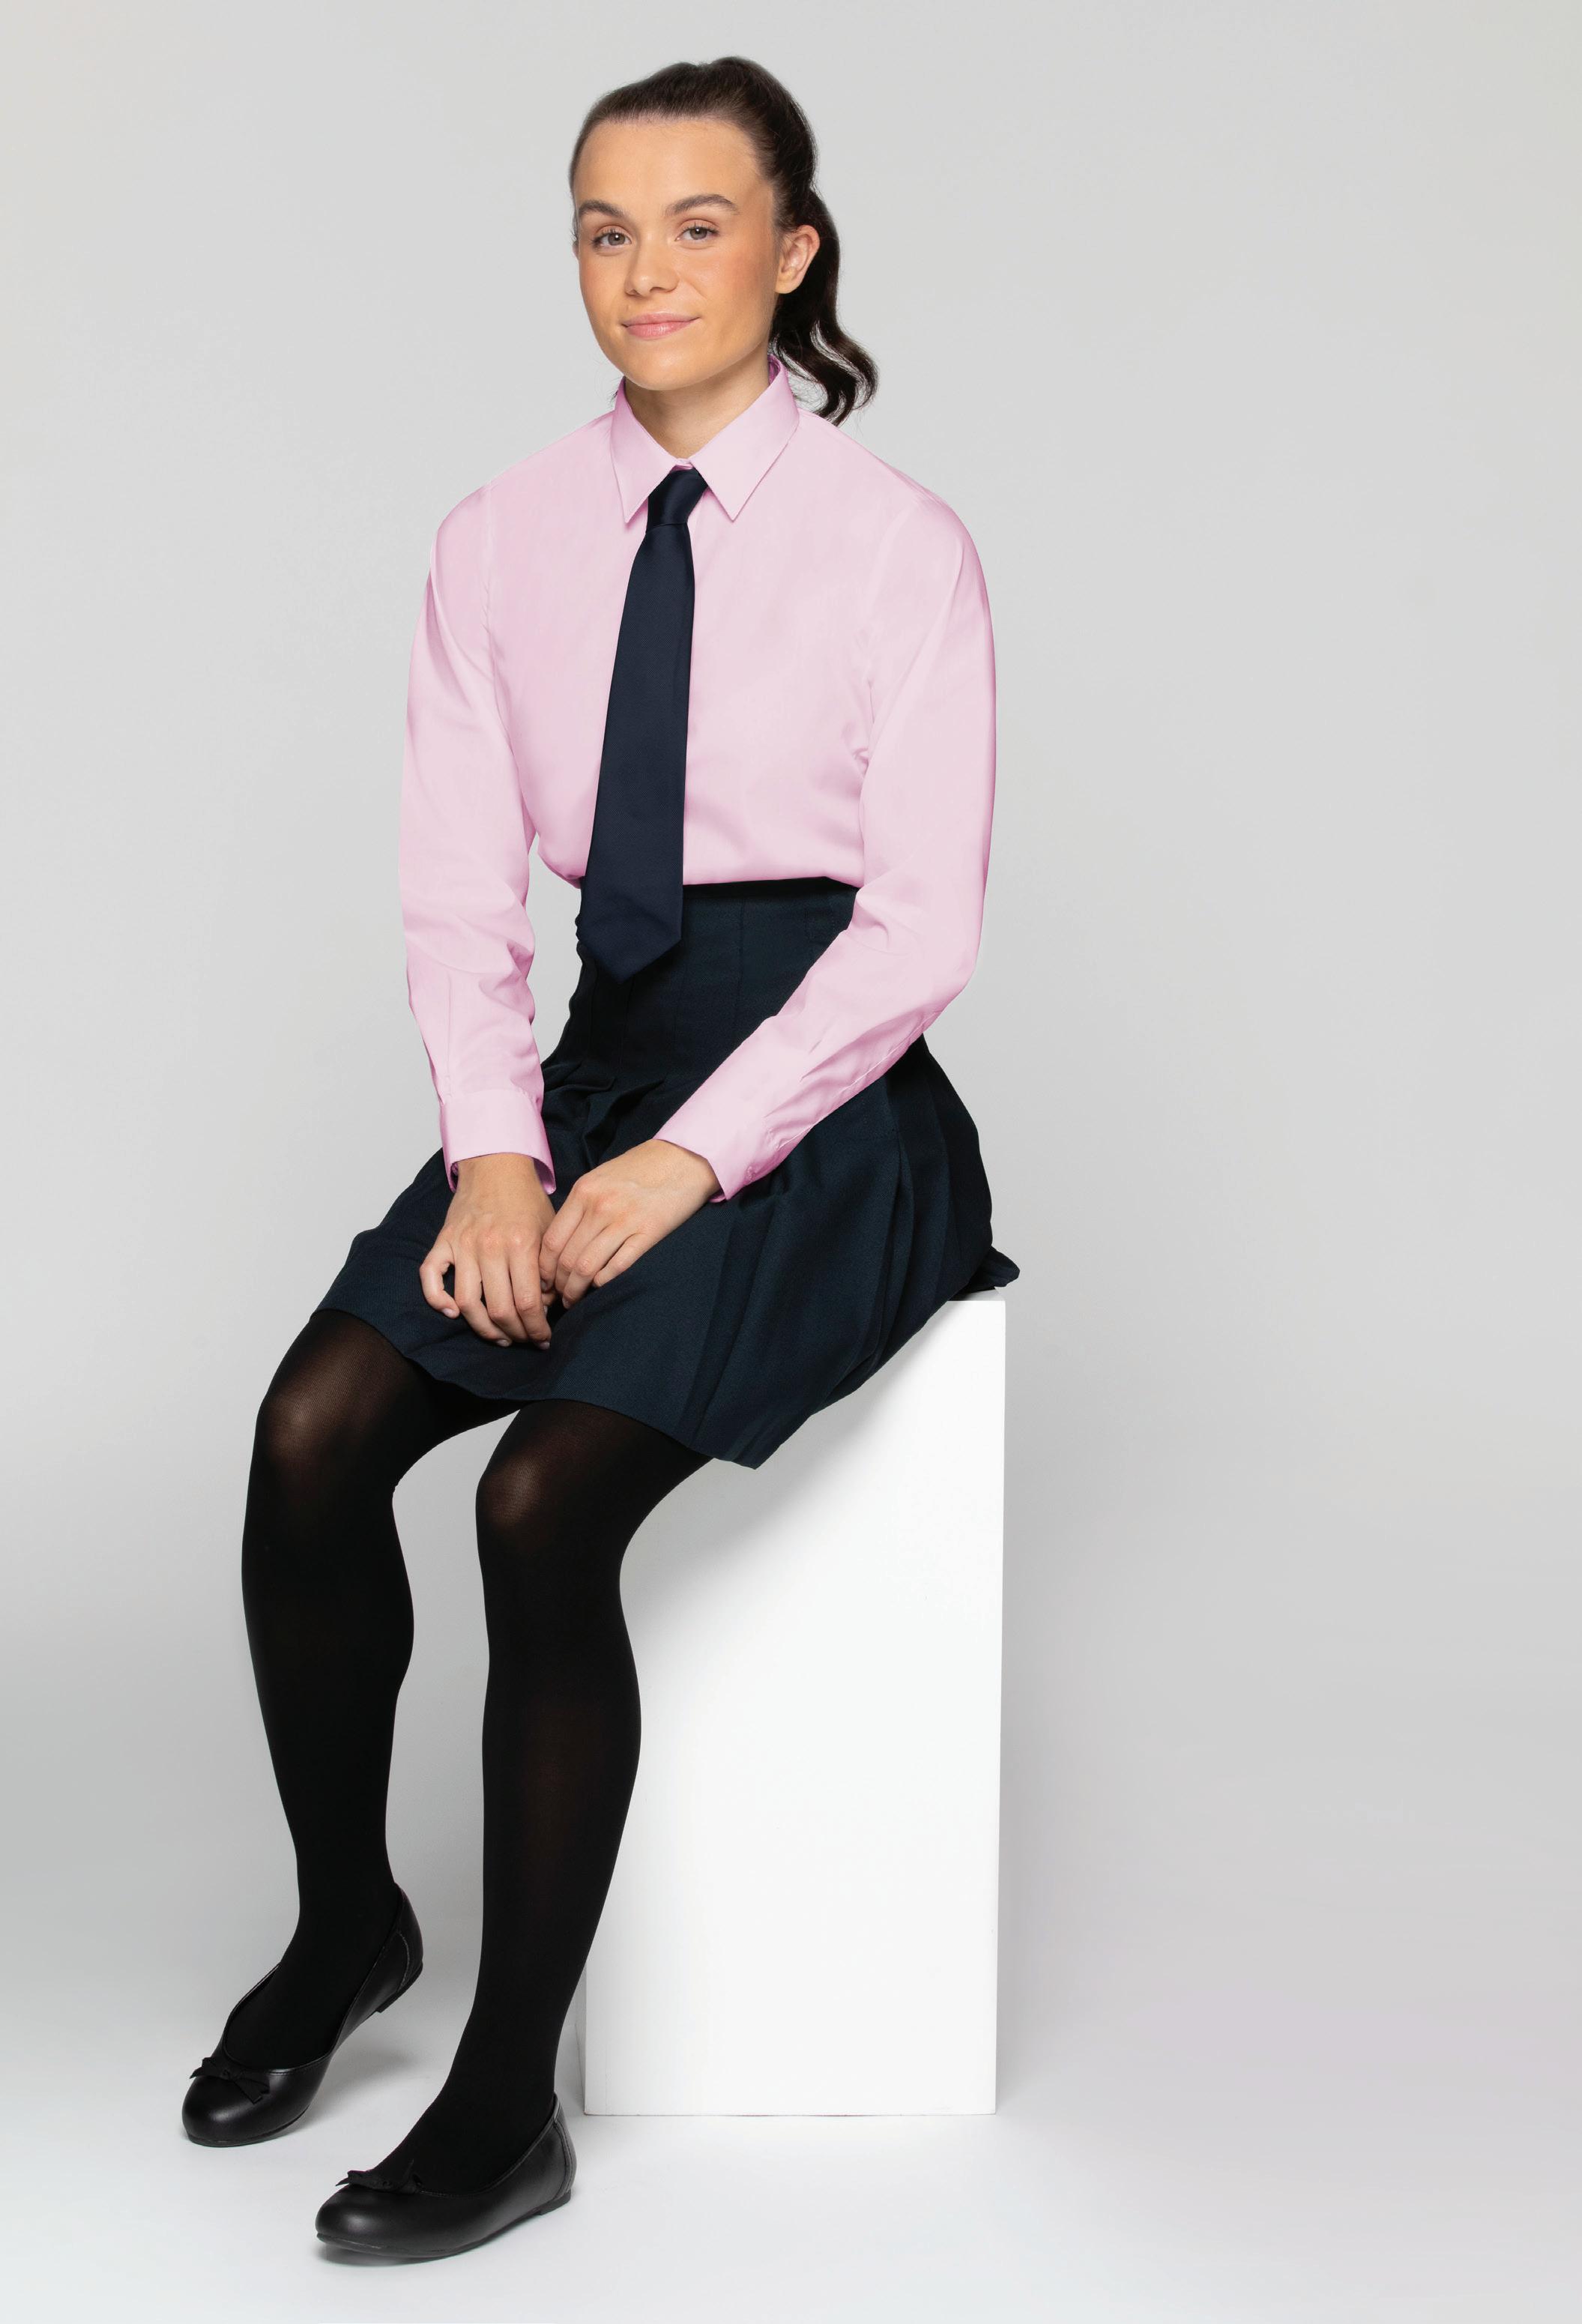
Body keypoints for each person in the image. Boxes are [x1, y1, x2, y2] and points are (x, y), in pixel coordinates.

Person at [181, 53, 1019, 2262]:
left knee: (542, 1506)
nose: (648, 270)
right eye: (605, 228)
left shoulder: (898, 549)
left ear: (794, 252)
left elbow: (917, 937)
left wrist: (693, 1164)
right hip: (599, 1064)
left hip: (829, 1100)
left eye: (700, 225)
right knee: (310, 1434)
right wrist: (497, 1154)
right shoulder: (498, 541)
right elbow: (461, 900)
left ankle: (502, 2101)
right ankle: (347, 1924)